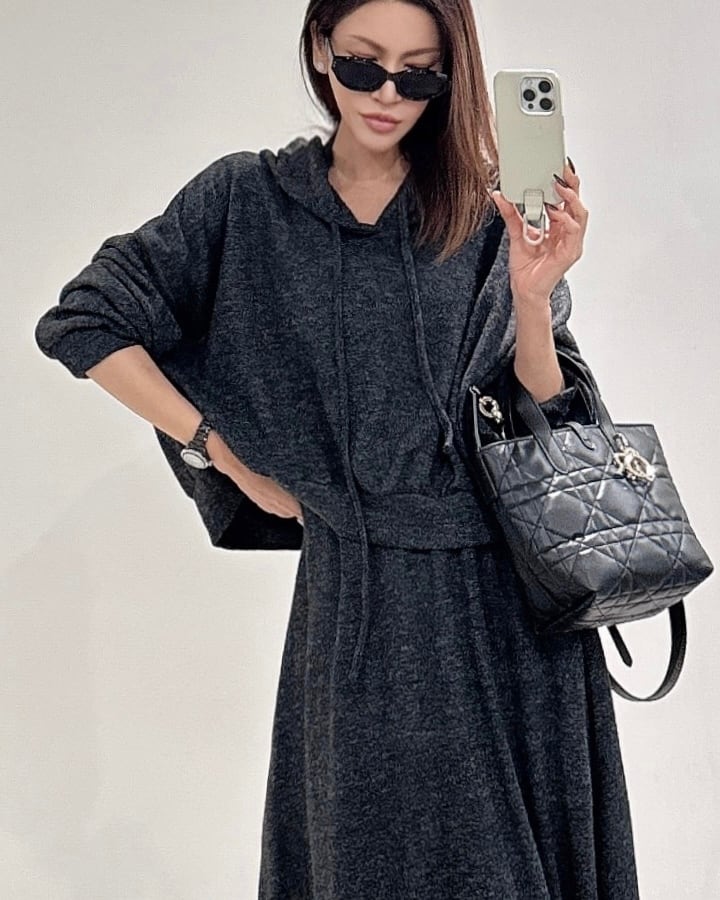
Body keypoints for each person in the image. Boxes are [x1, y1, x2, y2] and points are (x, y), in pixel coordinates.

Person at [33, 0, 641, 897]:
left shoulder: (486, 209)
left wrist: (532, 293)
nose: (388, 94)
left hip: (504, 609)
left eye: (420, 74)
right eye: (363, 64)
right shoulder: (246, 201)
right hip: (357, 598)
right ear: (321, 49)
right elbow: (84, 320)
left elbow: (548, 419)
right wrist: (220, 452)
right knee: (362, 856)